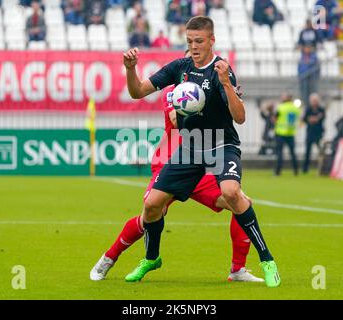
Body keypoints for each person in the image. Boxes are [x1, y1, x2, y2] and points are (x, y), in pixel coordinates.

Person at [121, 16, 281, 287]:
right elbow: (137, 92)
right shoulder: (179, 67)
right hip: (192, 146)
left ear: (211, 41)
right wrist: (130, 69)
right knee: (151, 205)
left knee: (231, 192)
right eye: (190, 42)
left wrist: (227, 84)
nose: (194, 47)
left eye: (199, 41)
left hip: (221, 143)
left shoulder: (221, 70)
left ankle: (266, 258)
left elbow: (240, 118)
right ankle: (151, 258)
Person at [90, 75, 264, 283]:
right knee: (150, 212)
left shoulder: (213, 87)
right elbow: (176, 119)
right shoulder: (173, 90)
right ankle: (109, 257)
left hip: (200, 163)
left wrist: (228, 99)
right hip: (170, 161)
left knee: (240, 202)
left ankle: (237, 270)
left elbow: (228, 118)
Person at [274, 93, 301, 176]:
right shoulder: (295, 108)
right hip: (291, 133)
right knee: (293, 153)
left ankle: (278, 172)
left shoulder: (281, 107)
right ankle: (296, 170)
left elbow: (275, 118)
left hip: (280, 133)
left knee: (279, 154)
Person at [302, 93, 326, 173]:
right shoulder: (308, 109)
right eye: (313, 101)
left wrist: (314, 119)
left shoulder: (321, 109)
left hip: (318, 133)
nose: (314, 102)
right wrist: (310, 119)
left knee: (321, 151)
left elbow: (322, 118)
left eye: (315, 100)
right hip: (310, 133)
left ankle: (322, 167)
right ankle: (305, 168)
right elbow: (304, 119)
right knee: (307, 151)